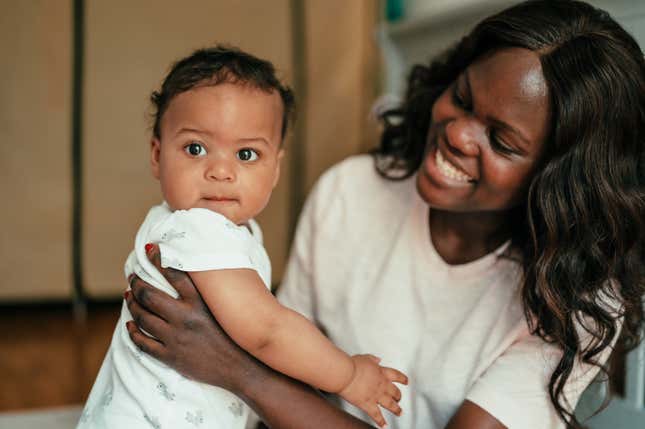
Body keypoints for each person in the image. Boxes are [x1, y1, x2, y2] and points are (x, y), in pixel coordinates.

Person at [123, 1, 645, 428]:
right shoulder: (350, 192)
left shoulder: (577, 297)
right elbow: (275, 343)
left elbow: (256, 366)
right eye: (461, 99)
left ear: (559, 181)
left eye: (502, 141)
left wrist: (239, 373)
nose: (459, 134)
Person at [78, 46, 407, 429]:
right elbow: (267, 331)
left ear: (276, 168)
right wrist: (348, 375)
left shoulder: (230, 230)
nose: (221, 171)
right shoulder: (196, 229)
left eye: (247, 155)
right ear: (157, 154)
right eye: (195, 148)